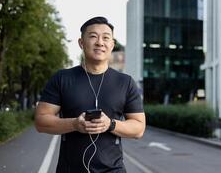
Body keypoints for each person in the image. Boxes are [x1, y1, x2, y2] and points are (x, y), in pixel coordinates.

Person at [35, 16, 146, 173]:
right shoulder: (62, 78)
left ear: (112, 45)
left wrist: (110, 124)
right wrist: (74, 124)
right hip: (69, 169)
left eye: (106, 38)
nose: (100, 42)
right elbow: (41, 121)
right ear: (81, 43)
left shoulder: (125, 82)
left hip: (113, 169)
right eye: (93, 36)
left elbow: (139, 128)